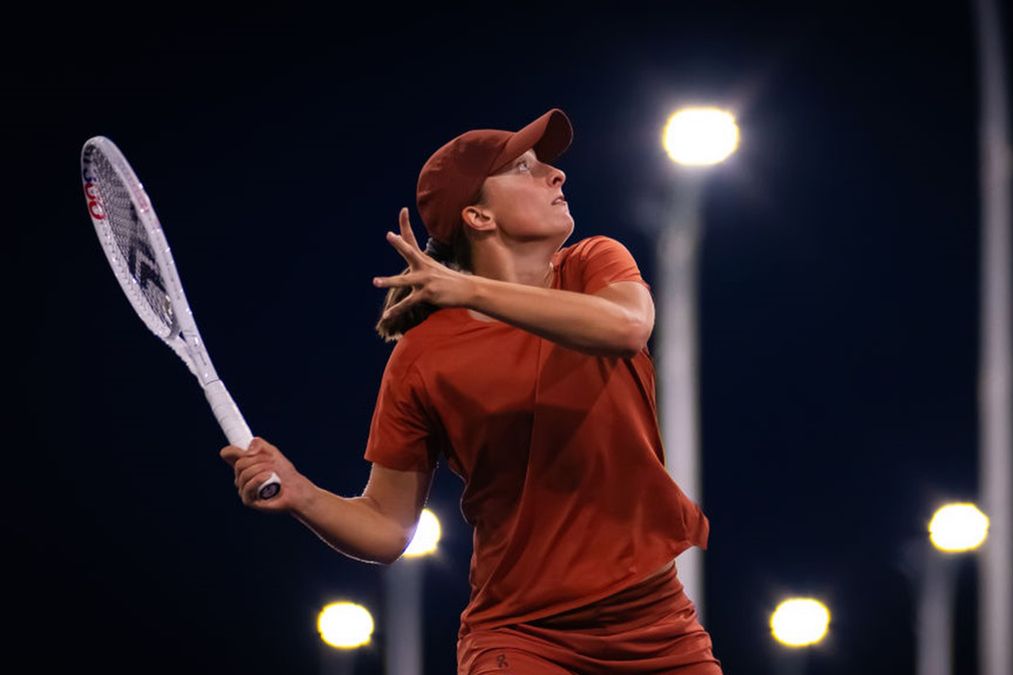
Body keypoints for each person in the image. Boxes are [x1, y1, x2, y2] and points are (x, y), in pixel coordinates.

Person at [220, 108, 722, 674]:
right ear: (478, 215)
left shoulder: (594, 263)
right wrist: (301, 492)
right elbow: (387, 527)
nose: (556, 176)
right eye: (524, 169)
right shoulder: (421, 357)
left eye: (547, 166)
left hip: (658, 626)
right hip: (523, 638)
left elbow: (624, 328)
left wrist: (471, 291)